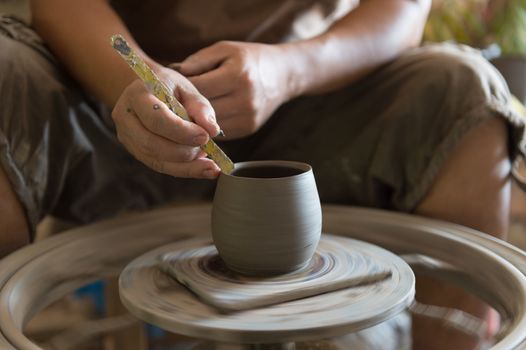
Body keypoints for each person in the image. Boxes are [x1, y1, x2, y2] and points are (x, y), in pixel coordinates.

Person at [0, 0, 524, 348]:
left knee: (466, 93)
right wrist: (131, 79)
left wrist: (290, 71)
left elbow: (403, 7)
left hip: (315, 87)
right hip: (125, 99)